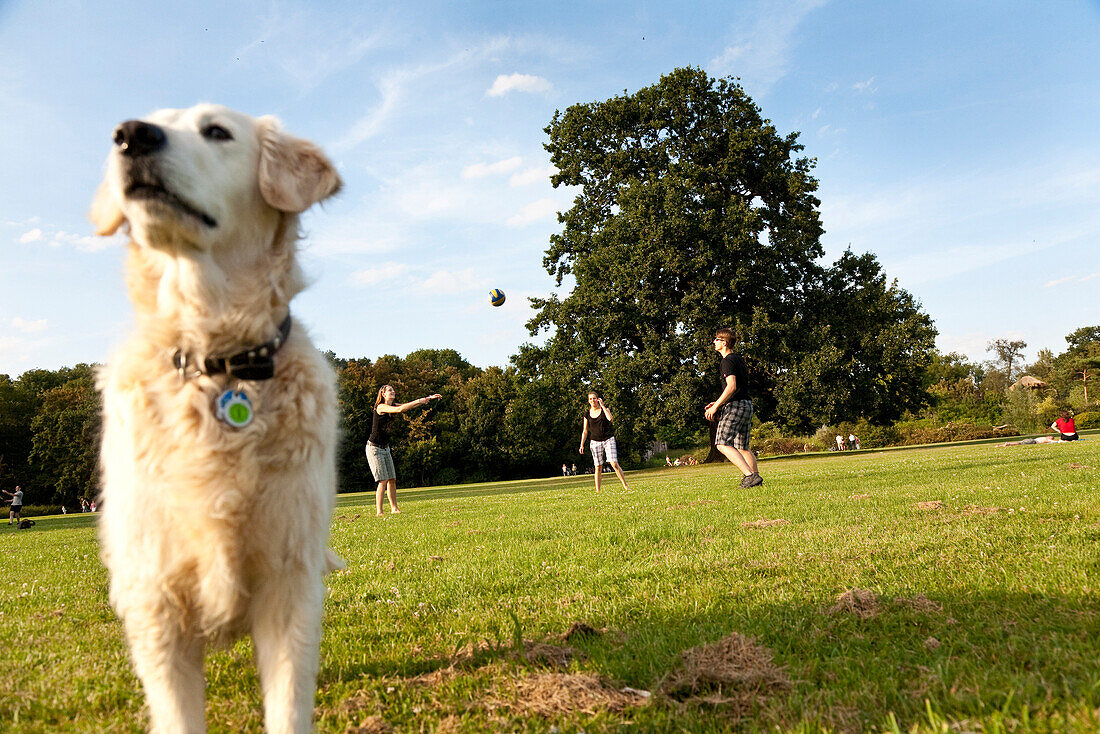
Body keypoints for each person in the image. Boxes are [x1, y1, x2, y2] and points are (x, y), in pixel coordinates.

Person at [366, 384, 442, 516]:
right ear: (383, 394)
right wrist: (420, 400)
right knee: (382, 481)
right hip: (374, 448)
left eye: (393, 389)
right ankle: (379, 512)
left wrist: (427, 398)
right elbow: (401, 409)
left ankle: (394, 508)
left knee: (392, 479)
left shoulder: (393, 405)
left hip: (385, 448)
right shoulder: (381, 407)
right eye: (390, 390)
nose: (393, 391)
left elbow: (407, 405)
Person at [704, 328, 762, 487]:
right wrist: (717, 401)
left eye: (716, 340)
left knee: (722, 443)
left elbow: (731, 387)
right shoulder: (738, 359)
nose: (714, 342)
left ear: (724, 343)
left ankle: (749, 476)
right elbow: (737, 388)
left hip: (735, 406)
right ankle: (755, 478)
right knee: (742, 447)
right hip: (746, 404)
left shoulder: (727, 361)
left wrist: (715, 406)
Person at [578, 391, 630, 492]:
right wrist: (582, 444)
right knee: (598, 466)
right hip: (595, 442)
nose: (592, 400)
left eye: (594, 398)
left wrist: (602, 405)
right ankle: (598, 491)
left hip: (608, 439)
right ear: (588, 401)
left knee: (614, 463)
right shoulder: (587, 414)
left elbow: (610, 419)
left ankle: (625, 486)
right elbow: (585, 431)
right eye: (590, 399)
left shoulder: (604, 410)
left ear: (597, 399)